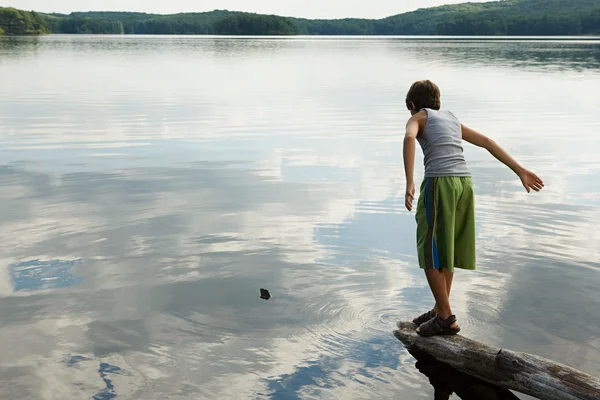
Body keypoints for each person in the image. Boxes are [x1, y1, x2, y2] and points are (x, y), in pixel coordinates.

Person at [403, 80, 544, 337]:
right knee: (447, 247)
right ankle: (439, 308)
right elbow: (487, 142)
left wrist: (410, 181)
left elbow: (409, 138)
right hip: (464, 184)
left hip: (439, 183)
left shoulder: (419, 118)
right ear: (438, 102)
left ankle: (446, 318)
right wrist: (520, 170)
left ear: (412, 105)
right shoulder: (452, 119)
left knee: (428, 249)